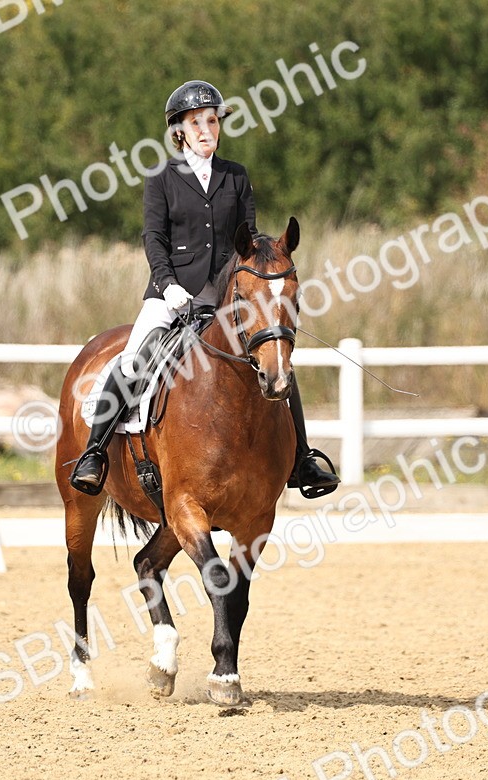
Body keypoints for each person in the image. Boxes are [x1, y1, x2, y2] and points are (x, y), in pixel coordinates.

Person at [68, 80, 339, 497]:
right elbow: (153, 239)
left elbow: (246, 243)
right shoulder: (162, 178)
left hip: (227, 300)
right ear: (179, 130)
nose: (205, 129)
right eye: (196, 123)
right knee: (132, 360)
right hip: (170, 296)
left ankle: (302, 457)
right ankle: (95, 452)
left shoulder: (236, 177)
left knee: (278, 362)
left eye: (211, 121)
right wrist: (169, 285)